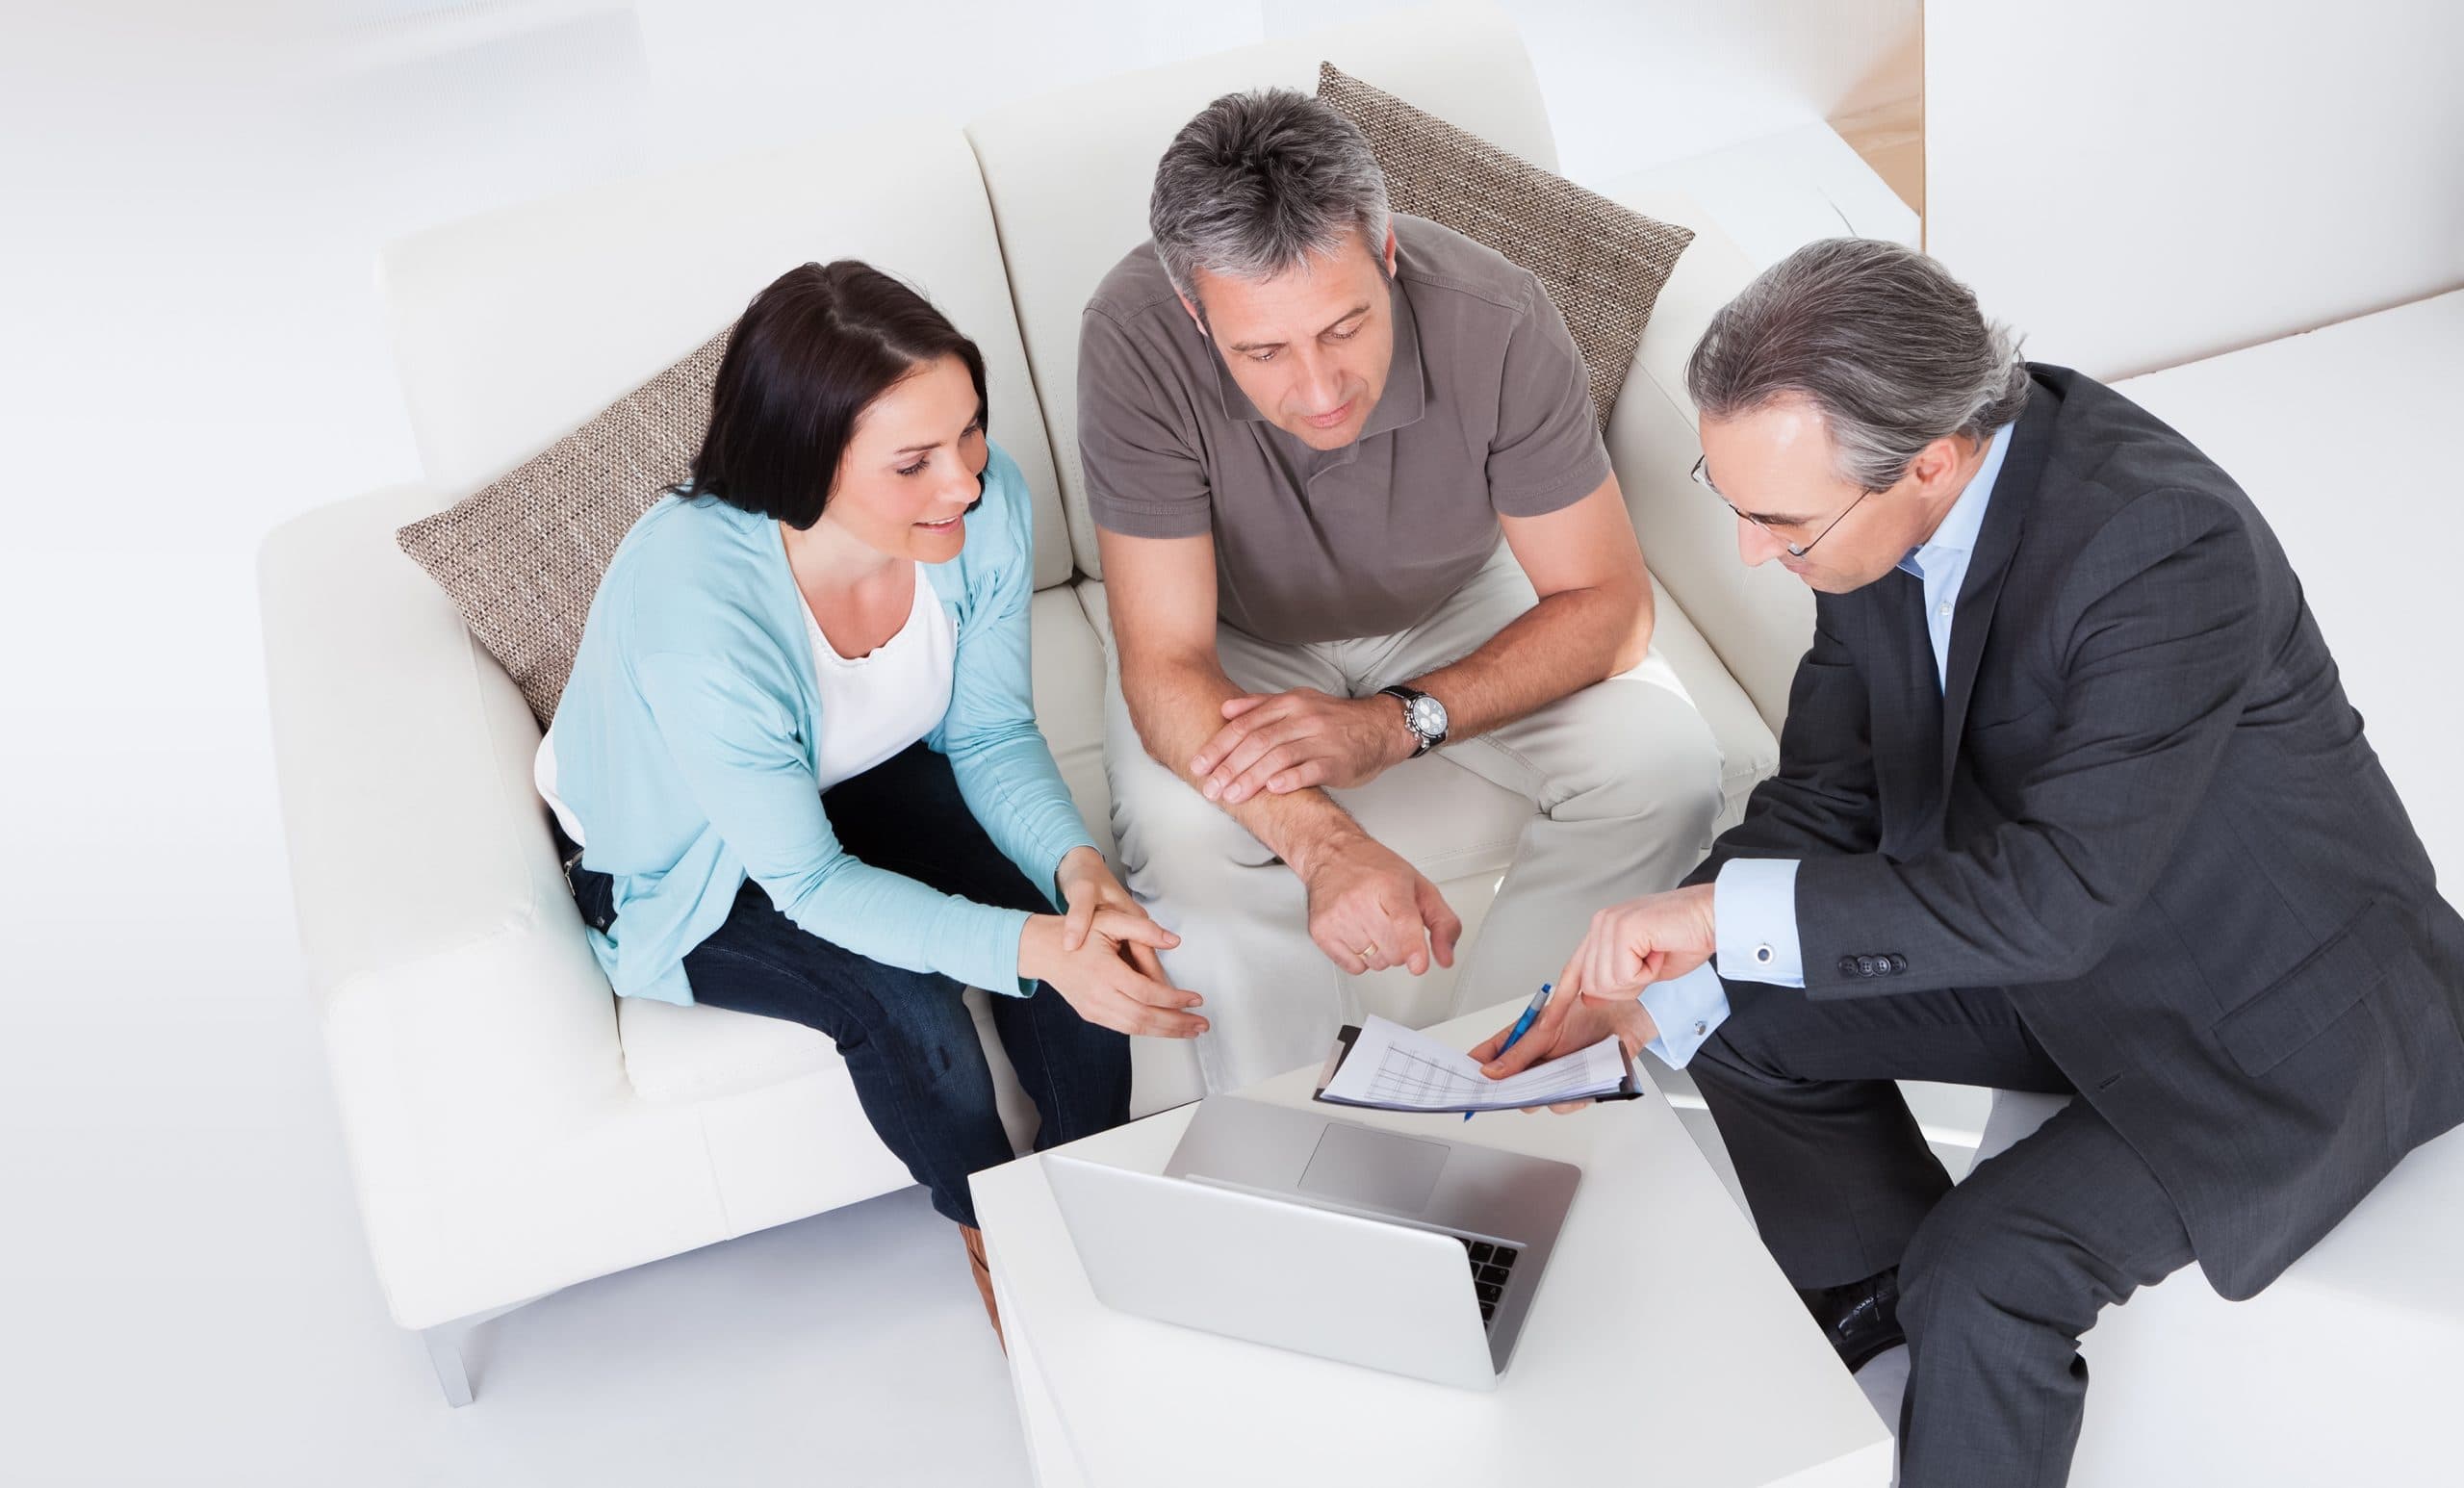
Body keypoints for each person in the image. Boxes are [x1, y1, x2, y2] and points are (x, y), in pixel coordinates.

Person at [1477, 238, 2464, 1485]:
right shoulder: (1882, 501)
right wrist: (1684, 943)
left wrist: (1725, 915)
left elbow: (2056, 905)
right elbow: (1832, 785)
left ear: (1929, 462)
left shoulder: (2163, 548)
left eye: (1777, 521)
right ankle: (1891, 1326)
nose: (1746, 553)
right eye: (1728, 499)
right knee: (1724, 1013)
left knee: (1991, 1269)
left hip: (2272, 1008)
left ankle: (1954, 1335)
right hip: (2057, 942)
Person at [537, 261, 1205, 1344]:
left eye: (970, 433)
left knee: (1085, 924)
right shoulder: (698, 610)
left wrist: (1074, 871)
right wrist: (1032, 943)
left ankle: (1088, 1180)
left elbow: (988, 733)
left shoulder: (980, 511)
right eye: (913, 462)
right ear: (807, 460)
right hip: (687, 859)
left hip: (850, 774)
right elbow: (804, 880)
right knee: (907, 1006)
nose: (966, 483)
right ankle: (995, 1225)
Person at [1078, 89, 1725, 1093]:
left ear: (1388, 260)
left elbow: (1609, 604)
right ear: (1194, 313)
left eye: (1344, 327)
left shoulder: (1498, 314)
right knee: (1184, 838)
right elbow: (1164, 659)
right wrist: (1328, 844)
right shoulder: (1130, 335)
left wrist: (1390, 726)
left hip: (1457, 599)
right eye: (1262, 352)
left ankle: (1491, 1081)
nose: (1320, 387)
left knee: (1668, 762)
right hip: (1234, 633)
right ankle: (1304, 1141)